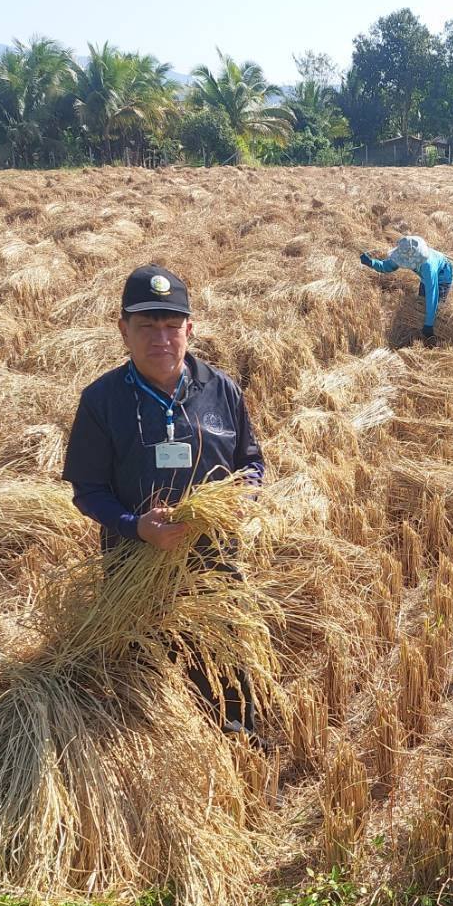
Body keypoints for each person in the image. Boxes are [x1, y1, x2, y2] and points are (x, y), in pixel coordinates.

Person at [61, 263, 267, 743]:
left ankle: (236, 742)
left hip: (213, 562)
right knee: (145, 669)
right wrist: (137, 526)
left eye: (172, 326)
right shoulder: (102, 402)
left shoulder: (222, 390)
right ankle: (158, 753)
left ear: (189, 329)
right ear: (123, 331)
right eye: (146, 326)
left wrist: (242, 497)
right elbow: (86, 490)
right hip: (135, 566)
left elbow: (251, 462)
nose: (161, 338)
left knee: (223, 662)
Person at [361, 235, 453, 344]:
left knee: (436, 307)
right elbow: (387, 266)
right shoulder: (405, 253)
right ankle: (421, 335)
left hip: (443, 274)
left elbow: (432, 294)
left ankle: (437, 339)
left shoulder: (428, 267)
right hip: (426, 275)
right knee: (421, 305)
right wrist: (372, 263)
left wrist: (429, 324)